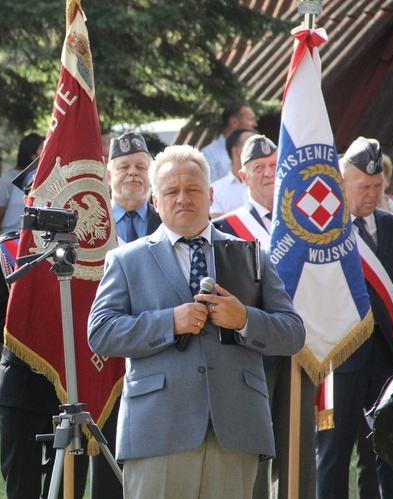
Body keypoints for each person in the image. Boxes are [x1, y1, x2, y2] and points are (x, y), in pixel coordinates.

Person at [87, 145, 305, 498]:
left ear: (210, 194)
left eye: (192, 189)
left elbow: (293, 333)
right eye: (172, 191)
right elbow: (101, 332)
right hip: (158, 432)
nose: (183, 198)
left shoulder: (251, 255)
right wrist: (169, 323)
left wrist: (244, 319)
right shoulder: (126, 260)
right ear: (156, 201)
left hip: (235, 430)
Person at [213, 135, 317, 499]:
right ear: (243, 177)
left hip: (299, 350)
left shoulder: (308, 225)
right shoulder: (224, 229)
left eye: (276, 166)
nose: (269, 173)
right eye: (259, 168)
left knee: (300, 453)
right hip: (251, 354)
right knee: (254, 455)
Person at [0, 162, 90, 499]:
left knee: (68, 487)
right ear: (28, 201)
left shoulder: (86, 252)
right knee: (22, 485)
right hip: (21, 383)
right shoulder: (4, 248)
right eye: (38, 196)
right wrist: (37, 339)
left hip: (69, 385)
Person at [316, 137, 393, 498]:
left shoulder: (391, 226)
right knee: (333, 454)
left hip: (388, 358)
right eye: (363, 187)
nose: (372, 194)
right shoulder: (323, 231)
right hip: (337, 361)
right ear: (341, 185)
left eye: (378, 186)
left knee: (392, 451)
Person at [107, 132, 161, 244]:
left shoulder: (165, 221)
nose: (132, 172)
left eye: (140, 167)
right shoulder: (95, 223)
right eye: (124, 167)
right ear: (109, 176)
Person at [0, 133, 44, 233]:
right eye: (42, 148)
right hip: (10, 239)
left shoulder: (45, 181)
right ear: (32, 155)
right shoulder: (8, 179)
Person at [201, 101, 258, 183]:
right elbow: (209, 189)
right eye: (250, 119)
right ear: (234, 122)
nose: (255, 124)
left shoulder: (257, 149)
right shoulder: (208, 154)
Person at [209, 128, 255, 218]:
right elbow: (218, 226)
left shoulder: (270, 185)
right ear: (236, 151)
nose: (259, 151)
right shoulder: (216, 190)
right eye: (252, 146)